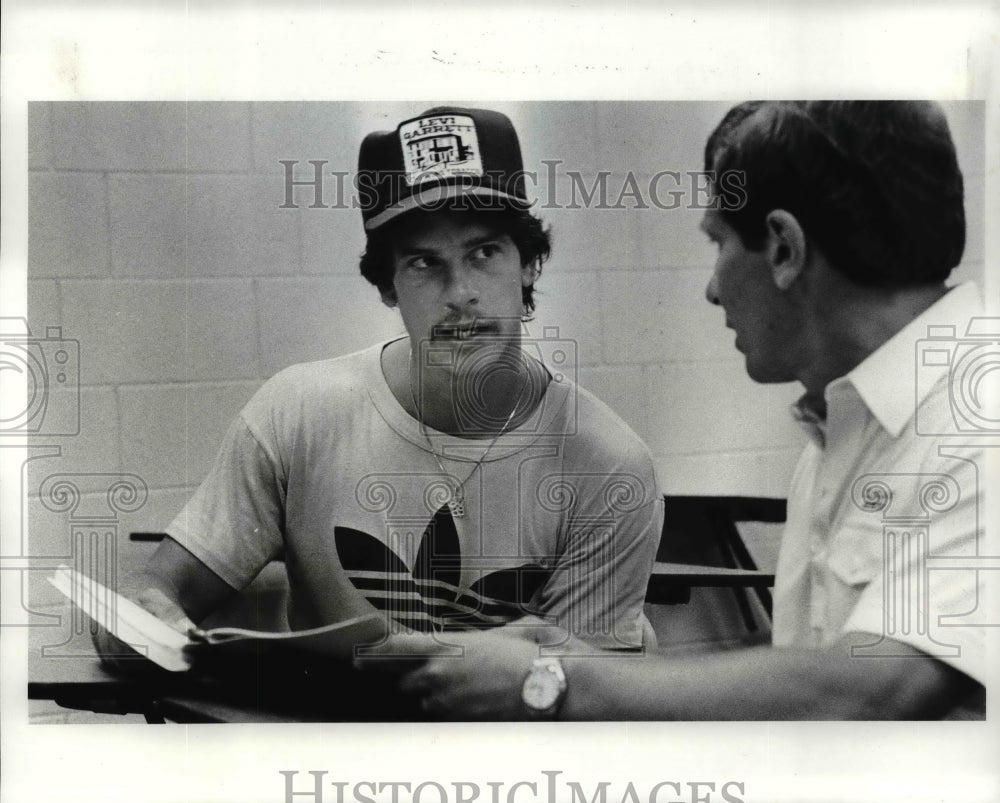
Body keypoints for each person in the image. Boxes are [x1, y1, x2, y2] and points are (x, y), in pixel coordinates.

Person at [360, 100, 988, 720]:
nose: (713, 287)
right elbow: (810, 675)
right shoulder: (849, 428)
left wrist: (551, 682)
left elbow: (873, 691)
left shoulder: (978, 418)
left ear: (784, 249)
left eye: (717, 243)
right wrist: (588, 664)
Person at [99, 106, 663, 663]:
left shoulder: (608, 464)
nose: (460, 291)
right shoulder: (299, 412)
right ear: (387, 286)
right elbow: (153, 596)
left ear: (529, 265)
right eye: (424, 263)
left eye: (484, 252)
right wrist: (142, 621)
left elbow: (583, 707)